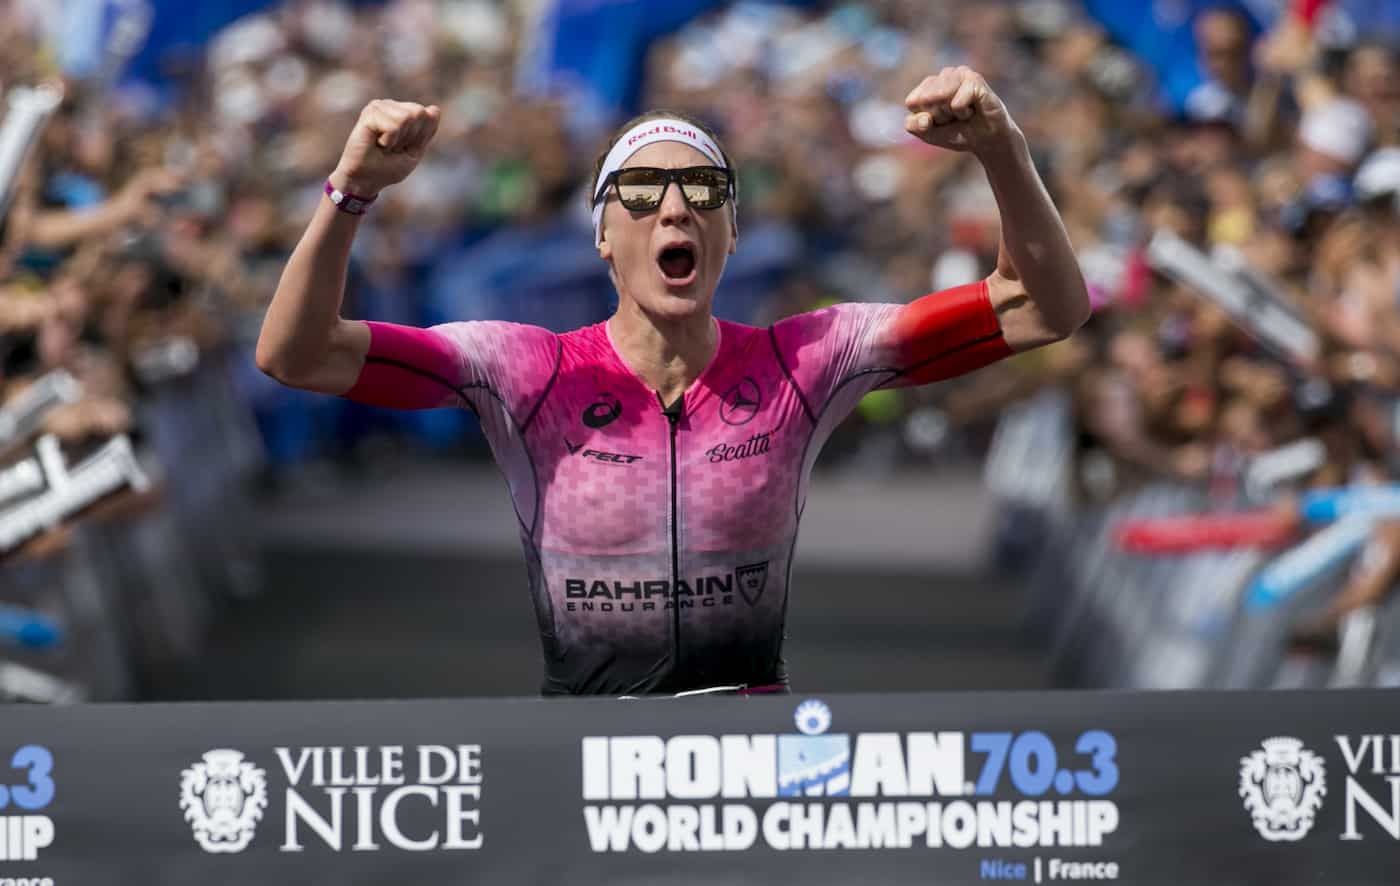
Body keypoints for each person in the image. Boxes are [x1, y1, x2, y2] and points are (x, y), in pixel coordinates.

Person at [256, 67, 1090, 696]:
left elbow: (1042, 307)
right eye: (643, 192)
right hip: (584, 760)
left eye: (702, 190)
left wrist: (1002, 149)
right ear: (603, 239)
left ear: (730, 235)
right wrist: (352, 191)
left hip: (747, 764)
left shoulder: (805, 360)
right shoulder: (526, 370)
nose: (675, 208)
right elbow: (297, 354)